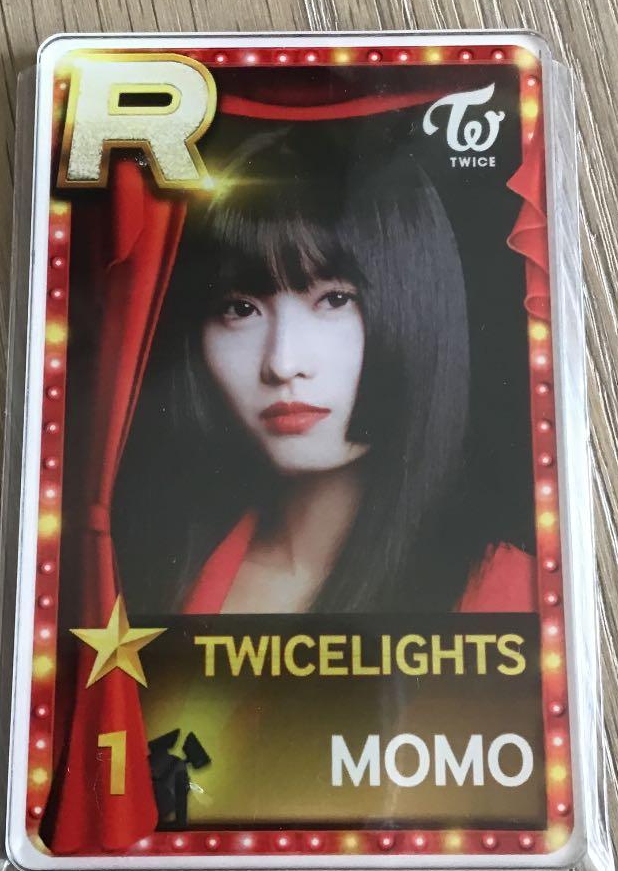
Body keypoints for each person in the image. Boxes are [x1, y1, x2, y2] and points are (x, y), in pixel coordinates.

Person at [113, 126, 535, 615]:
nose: (282, 363)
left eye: (334, 300)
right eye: (240, 309)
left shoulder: (508, 596)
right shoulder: (146, 581)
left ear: (417, 308)